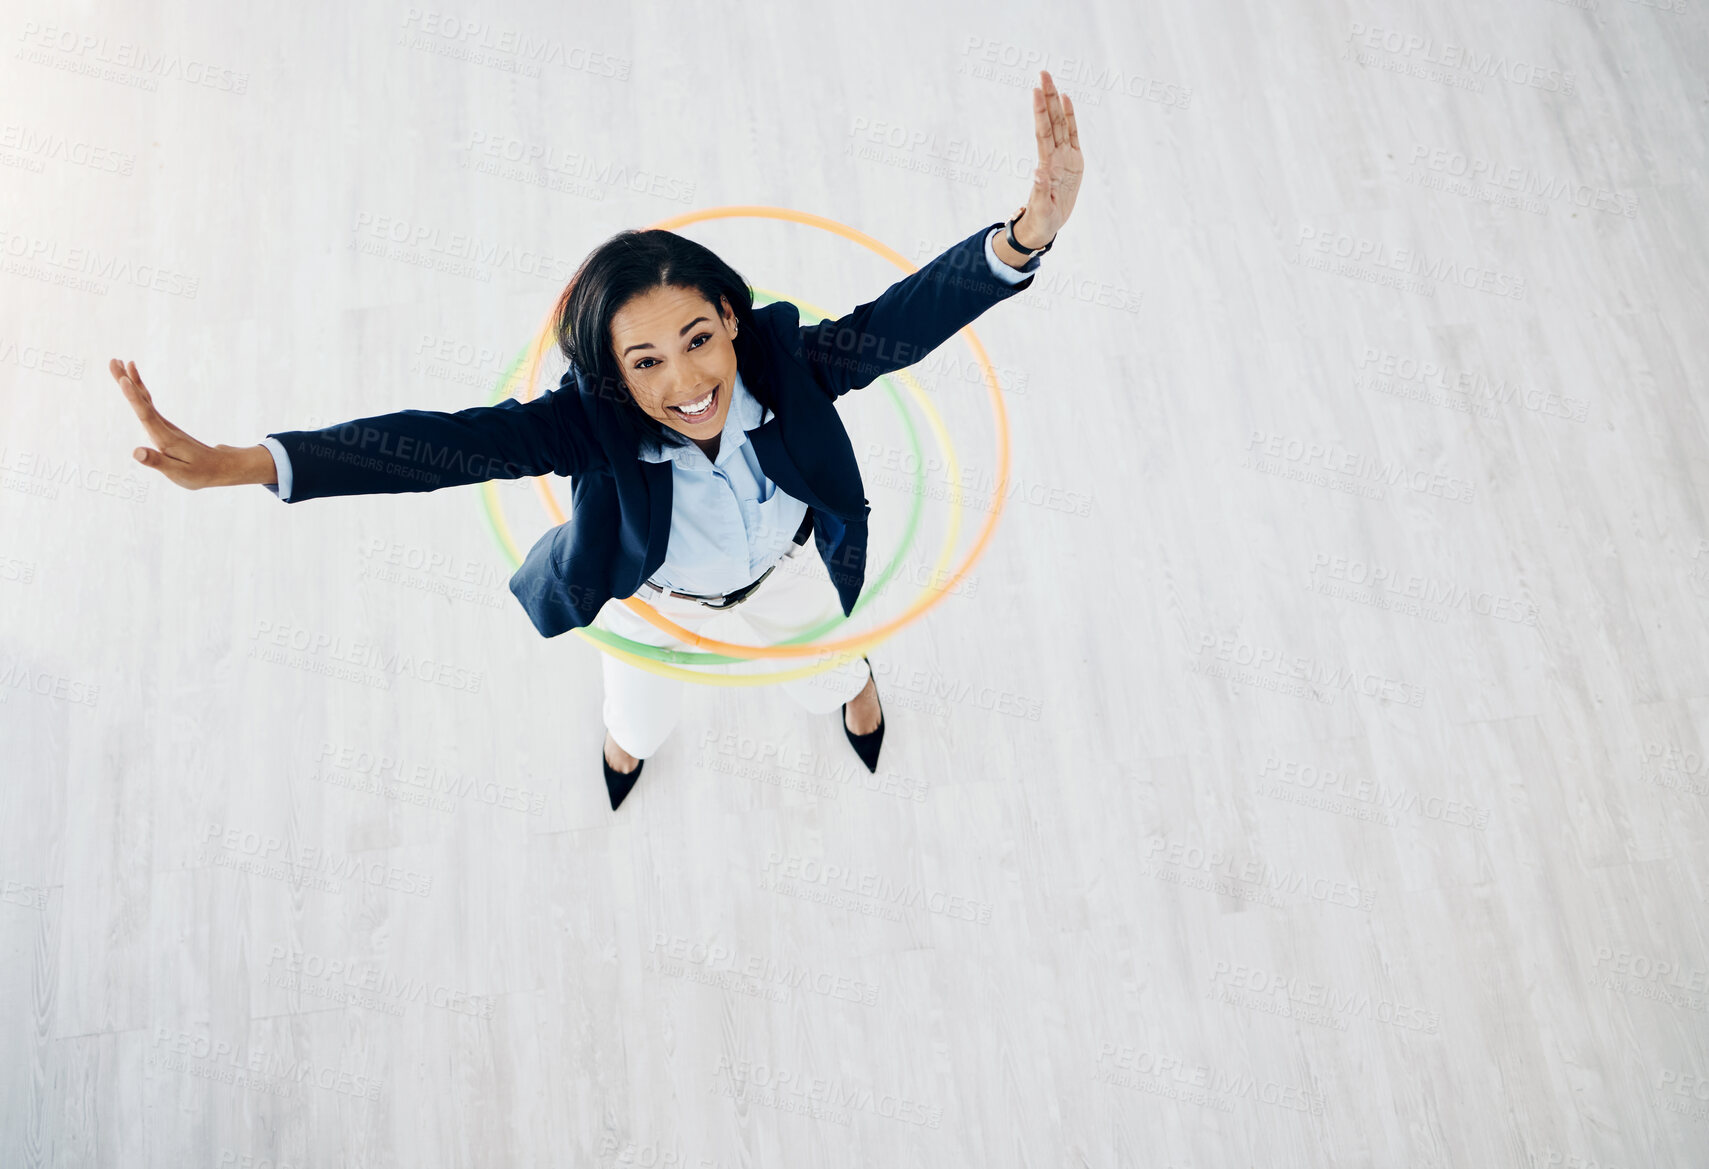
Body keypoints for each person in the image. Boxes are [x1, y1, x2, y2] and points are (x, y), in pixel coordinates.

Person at [111, 71, 1083, 811]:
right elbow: (433, 447)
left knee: (827, 662)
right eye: (646, 361)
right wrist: (256, 463)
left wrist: (1023, 235)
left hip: (785, 572)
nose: (686, 382)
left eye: (698, 340)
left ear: (732, 320)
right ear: (613, 374)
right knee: (635, 710)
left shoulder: (790, 365)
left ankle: (852, 690)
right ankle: (626, 745)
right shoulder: (585, 424)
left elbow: (902, 317)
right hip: (651, 594)